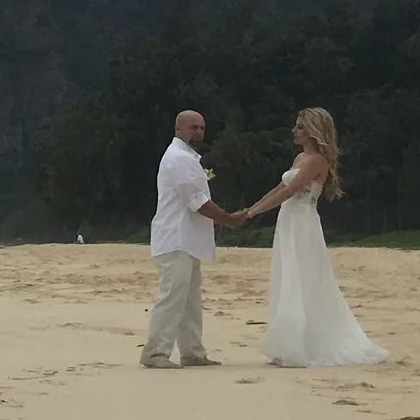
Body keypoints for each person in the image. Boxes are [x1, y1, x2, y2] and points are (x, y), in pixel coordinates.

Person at [236, 107, 386, 367]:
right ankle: (289, 342)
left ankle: (304, 344)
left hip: (303, 223)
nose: (295, 131)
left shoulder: (317, 160)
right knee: (288, 276)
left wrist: (253, 213)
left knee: (302, 278)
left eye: (301, 127)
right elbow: (280, 187)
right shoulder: (299, 158)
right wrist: (251, 209)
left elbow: (291, 190)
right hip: (289, 220)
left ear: (314, 130)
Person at [143, 108, 242, 369]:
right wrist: (227, 219)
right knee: (173, 297)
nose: (198, 132)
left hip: (186, 240)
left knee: (189, 300)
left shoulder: (187, 158)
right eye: (193, 127)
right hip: (176, 237)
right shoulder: (179, 158)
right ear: (178, 129)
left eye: (201, 127)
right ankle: (155, 353)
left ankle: (193, 352)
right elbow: (196, 201)